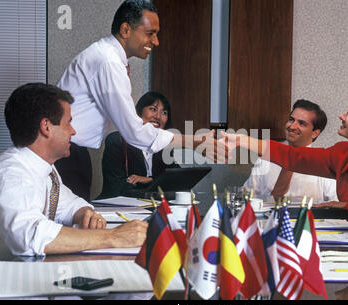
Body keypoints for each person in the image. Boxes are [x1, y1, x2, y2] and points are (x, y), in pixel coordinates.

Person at [55, 0, 223, 201]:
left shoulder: (109, 57)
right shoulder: (108, 62)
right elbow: (132, 131)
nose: (156, 41)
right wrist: (192, 142)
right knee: (69, 224)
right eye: (150, 33)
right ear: (126, 30)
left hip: (72, 151)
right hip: (65, 153)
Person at [0, 83, 147, 257]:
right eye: (68, 123)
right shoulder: (11, 173)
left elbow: (69, 204)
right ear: (46, 127)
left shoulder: (45, 170)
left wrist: (85, 214)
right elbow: (29, 235)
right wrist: (113, 236)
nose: (73, 131)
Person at [222, 87, 348, 217]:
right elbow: (293, 158)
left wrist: (346, 206)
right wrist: (243, 140)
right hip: (347, 234)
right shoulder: (343, 152)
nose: (341, 116)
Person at [243, 99, 338, 204]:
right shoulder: (265, 160)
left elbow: (336, 205)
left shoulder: (324, 164)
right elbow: (245, 198)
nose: (292, 126)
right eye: (291, 120)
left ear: (315, 133)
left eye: (301, 124)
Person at [98, 91, 179, 199]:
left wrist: (150, 179)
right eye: (153, 109)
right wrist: (153, 185)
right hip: (119, 208)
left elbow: (176, 178)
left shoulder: (164, 145)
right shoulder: (117, 140)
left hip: (151, 206)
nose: (158, 117)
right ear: (139, 112)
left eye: (164, 112)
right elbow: (115, 187)